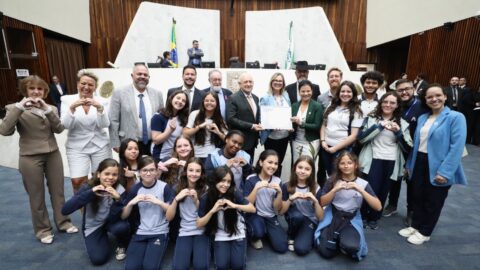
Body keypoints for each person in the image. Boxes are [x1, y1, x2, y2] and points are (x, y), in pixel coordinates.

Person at [0, 75, 78, 244]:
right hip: (29, 157)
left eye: (40, 89)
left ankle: (63, 222)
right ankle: (43, 230)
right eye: (32, 88)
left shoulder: (50, 108)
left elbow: (58, 129)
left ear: (45, 92)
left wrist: (48, 111)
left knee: (58, 192)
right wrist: (20, 107)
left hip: (52, 154)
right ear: (25, 91)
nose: (36, 92)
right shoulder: (14, 108)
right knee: (36, 196)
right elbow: (5, 131)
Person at [398, 84, 467, 245]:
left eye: (437, 95)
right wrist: (409, 165)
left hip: (439, 165)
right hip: (419, 161)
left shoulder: (456, 117)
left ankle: (425, 231)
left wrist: (445, 172)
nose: (434, 99)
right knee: (417, 197)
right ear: (425, 100)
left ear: (445, 96)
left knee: (433, 200)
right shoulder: (423, 117)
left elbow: (456, 147)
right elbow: (416, 144)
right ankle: (415, 226)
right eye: (429, 97)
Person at [357, 92, 413, 229]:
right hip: (373, 159)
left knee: (383, 191)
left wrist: (398, 132)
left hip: (391, 161)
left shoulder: (403, 123)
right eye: (385, 102)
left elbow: (407, 148)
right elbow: (361, 139)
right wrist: (379, 127)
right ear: (380, 103)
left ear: (397, 105)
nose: (388, 105)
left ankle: (374, 217)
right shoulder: (371, 119)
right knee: (369, 189)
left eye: (392, 102)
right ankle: (363, 216)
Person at [62, 159, 130, 265]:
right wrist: (91, 193)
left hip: (110, 221)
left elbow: (119, 216)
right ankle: (100, 237)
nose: (111, 178)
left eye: (114, 175)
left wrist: (117, 200)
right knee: (98, 259)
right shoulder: (88, 187)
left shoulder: (119, 189)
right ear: (98, 174)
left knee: (122, 227)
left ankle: (122, 244)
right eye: (106, 174)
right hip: (93, 226)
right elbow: (65, 210)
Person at [314, 151, 381, 261]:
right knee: (326, 253)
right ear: (338, 166)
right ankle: (336, 239)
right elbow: (322, 203)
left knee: (352, 247)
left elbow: (378, 207)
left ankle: (341, 240)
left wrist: (360, 189)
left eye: (349, 163)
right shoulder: (332, 180)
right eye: (342, 163)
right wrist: (335, 189)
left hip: (351, 218)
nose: (346, 166)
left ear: (355, 165)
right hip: (333, 216)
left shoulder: (363, 183)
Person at [383, 79, 429, 224]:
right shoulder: (395, 106)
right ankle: (392, 204)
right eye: (400, 90)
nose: (404, 92)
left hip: (415, 149)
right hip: (396, 147)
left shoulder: (423, 106)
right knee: (394, 177)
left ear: (413, 89)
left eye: (407, 89)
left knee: (412, 182)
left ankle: (411, 210)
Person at [61, 70, 111, 194]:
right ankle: (84, 211)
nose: (86, 87)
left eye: (90, 85)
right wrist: (72, 109)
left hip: (100, 145)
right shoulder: (67, 100)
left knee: (100, 179)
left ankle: (99, 211)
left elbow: (105, 124)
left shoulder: (103, 101)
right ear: (78, 84)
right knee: (77, 181)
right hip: (76, 146)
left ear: (95, 87)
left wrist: (100, 109)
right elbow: (65, 125)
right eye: (83, 83)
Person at [197, 166, 256, 270]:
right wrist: (212, 210)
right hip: (220, 233)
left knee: (238, 266)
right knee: (221, 266)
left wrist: (235, 205)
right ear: (215, 180)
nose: (226, 185)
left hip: (237, 231)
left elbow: (252, 209)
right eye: (222, 181)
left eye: (229, 181)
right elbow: (199, 224)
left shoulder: (234, 192)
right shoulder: (206, 197)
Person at [122, 156, 174, 270]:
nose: (148, 173)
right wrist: (131, 203)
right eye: (144, 170)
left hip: (160, 231)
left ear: (156, 171)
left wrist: (158, 202)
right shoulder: (135, 189)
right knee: (130, 268)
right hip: (141, 231)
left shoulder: (164, 187)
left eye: (151, 170)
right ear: (139, 172)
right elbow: (123, 215)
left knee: (150, 267)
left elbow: (171, 212)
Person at [109, 63, 164, 155]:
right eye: (139, 74)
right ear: (132, 76)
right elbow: (113, 119)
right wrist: (115, 143)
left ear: (149, 77)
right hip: (128, 144)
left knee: (152, 169)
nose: (142, 77)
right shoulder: (119, 93)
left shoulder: (157, 94)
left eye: (145, 75)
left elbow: (162, 118)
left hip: (153, 143)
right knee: (129, 169)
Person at [166, 158, 209, 270]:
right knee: (179, 267)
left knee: (201, 266)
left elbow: (205, 216)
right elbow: (169, 217)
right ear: (185, 171)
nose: (194, 174)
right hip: (184, 230)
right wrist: (176, 199)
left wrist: (196, 201)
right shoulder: (176, 188)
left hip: (201, 230)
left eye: (197, 171)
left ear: (202, 173)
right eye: (191, 170)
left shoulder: (206, 189)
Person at [243, 150, 288, 253]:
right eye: (270, 162)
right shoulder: (251, 179)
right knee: (258, 232)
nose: (273, 166)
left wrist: (280, 193)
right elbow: (246, 204)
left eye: (276, 163)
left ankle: (267, 231)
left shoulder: (278, 181)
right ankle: (256, 235)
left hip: (271, 216)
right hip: (255, 214)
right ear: (261, 162)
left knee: (282, 247)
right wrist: (256, 188)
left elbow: (277, 209)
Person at [280, 156, 323, 255]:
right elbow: (281, 212)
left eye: (307, 169)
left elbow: (320, 217)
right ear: (295, 168)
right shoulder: (286, 185)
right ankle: (291, 235)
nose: (303, 171)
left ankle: (307, 234)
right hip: (295, 216)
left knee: (301, 249)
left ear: (312, 171)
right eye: (300, 167)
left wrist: (315, 201)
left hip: (310, 219)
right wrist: (291, 199)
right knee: (297, 216)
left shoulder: (316, 188)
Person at [320, 80, 363, 176]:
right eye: (343, 91)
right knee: (330, 175)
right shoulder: (331, 106)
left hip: (342, 150)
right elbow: (324, 125)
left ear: (353, 94)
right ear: (339, 93)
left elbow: (354, 135)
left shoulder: (356, 110)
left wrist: (335, 148)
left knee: (340, 176)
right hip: (326, 148)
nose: (345, 94)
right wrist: (323, 141)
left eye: (349, 92)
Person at [259, 72, 291, 177]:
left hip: (284, 136)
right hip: (271, 136)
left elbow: (288, 112)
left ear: (283, 83)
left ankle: (276, 183)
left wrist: (289, 124)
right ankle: (267, 182)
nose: (278, 83)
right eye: (275, 80)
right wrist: (271, 124)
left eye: (280, 81)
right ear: (271, 82)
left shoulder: (286, 95)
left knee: (279, 162)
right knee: (270, 162)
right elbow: (261, 117)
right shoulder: (265, 97)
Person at [183, 91, 227, 161]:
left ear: (217, 103)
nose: (209, 103)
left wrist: (218, 132)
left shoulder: (219, 118)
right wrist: (198, 127)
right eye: (206, 100)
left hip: (211, 155)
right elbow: (185, 133)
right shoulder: (195, 114)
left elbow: (227, 139)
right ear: (203, 102)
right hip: (195, 154)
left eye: (212, 101)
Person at [227, 72, 262, 160]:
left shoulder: (256, 98)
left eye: (250, 82)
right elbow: (231, 119)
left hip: (252, 141)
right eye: (245, 82)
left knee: (248, 167)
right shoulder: (233, 98)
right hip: (239, 142)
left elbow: (256, 117)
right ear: (239, 84)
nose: (248, 84)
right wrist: (251, 126)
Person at [290, 80, 324, 167]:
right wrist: (290, 127)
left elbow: (317, 126)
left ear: (312, 91)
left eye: (308, 91)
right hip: (296, 141)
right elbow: (291, 123)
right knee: (297, 166)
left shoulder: (317, 106)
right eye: (303, 91)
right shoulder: (294, 105)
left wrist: (301, 123)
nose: (306, 93)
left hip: (311, 142)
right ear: (299, 92)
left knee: (308, 166)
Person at [151, 90, 189, 162]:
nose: (180, 101)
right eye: (178, 98)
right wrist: (170, 130)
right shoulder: (158, 116)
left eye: (183, 101)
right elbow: (156, 140)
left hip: (175, 156)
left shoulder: (182, 118)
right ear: (171, 98)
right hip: (160, 156)